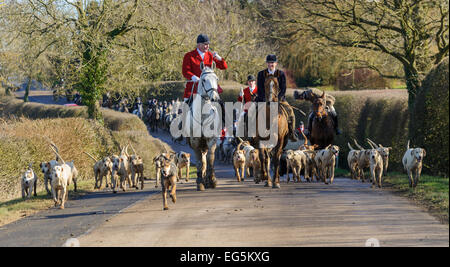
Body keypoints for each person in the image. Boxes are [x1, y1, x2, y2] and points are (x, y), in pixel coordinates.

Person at [255, 54, 298, 142]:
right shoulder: (261, 74)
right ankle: (251, 133)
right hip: (263, 99)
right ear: (267, 63)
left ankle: (292, 132)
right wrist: (263, 98)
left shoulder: (281, 74)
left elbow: (283, 88)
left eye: (273, 63)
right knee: (251, 111)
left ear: (276, 63)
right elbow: (260, 88)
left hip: (279, 99)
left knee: (290, 112)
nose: (271, 64)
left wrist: (279, 98)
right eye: (269, 63)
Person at [182, 34, 228, 103]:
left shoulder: (210, 55)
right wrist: (193, 77)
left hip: (209, 89)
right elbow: (185, 71)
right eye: (205, 44)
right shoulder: (189, 56)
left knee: (221, 107)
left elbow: (224, 66)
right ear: (199, 45)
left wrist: (219, 57)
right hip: (194, 88)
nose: (207, 46)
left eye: (208, 44)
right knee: (186, 109)